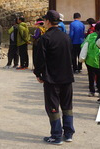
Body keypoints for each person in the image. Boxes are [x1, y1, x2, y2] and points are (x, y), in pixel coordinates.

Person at [34, 10, 75, 144]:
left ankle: (56, 135)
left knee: (53, 107)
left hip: (52, 78)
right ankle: (68, 133)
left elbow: (40, 59)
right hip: (67, 77)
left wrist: (38, 74)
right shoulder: (66, 37)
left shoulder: (45, 38)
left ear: (48, 21)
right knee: (67, 106)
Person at [79, 23, 100, 97]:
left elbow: (83, 45)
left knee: (91, 76)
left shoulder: (90, 36)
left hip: (89, 60)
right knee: (99, 76)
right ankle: (99, 89)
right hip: (99, 60)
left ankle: (92, 91)